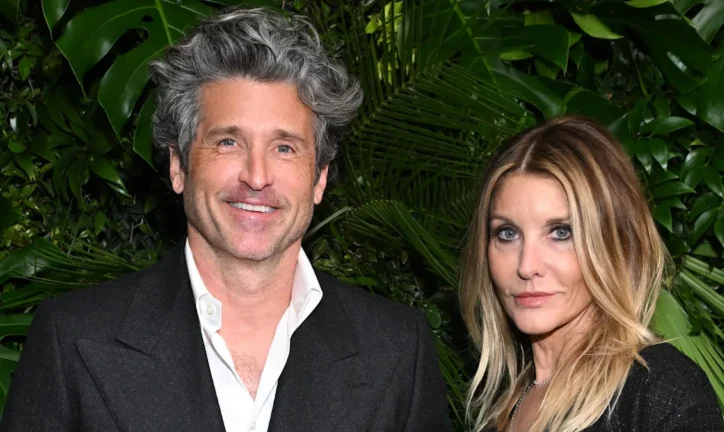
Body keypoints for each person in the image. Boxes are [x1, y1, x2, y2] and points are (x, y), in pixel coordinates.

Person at [0, 7, 450, 432]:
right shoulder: (72, 339)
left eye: (285, 147)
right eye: (228, 142)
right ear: (178, 166)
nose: (256, 176)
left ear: (319, 179)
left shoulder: (396, 350)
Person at [460, 116, 724, 432]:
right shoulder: (505, 406)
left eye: (560, 232)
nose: (527, 265)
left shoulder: (660, 392)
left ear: (616, 243)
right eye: (507, 233)